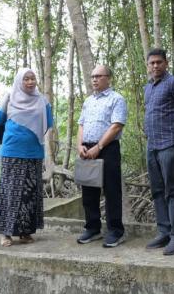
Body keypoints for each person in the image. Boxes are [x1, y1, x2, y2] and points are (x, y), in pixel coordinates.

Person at [0, 68, 52, 247]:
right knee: (10, 192)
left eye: (33, 78)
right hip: (12, 152)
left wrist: (32, 138)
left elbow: (47, 124)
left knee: (30, 194)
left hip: (34, 152)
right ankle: (6, 233)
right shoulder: (9, 97)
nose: (30, 82)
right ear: (19, 80)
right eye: (26, 79)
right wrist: (5, 141)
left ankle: (25, 232)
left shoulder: (42, 100)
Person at [143, 48, 174, 255]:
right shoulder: (149, 87)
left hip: (170, 145)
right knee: (156, 190)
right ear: (148, 65)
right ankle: (164, 231)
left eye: (159, 62)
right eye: (152, 63)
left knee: (172, 190)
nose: (155, 66)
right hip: (152, 146)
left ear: (166, 63)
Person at [76, 65, 128, 248]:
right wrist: (79, 145)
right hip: (87, 149)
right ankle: (93, 228)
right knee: (89, 191)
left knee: (112, 190)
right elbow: (81, 125)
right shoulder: (88, 101)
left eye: (98, 76)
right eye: (92, 77)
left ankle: (115, 230)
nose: (94, 80)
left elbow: (116, 126)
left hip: (107, 149)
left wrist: (99, 146)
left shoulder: (116, 99)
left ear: (108, 78)